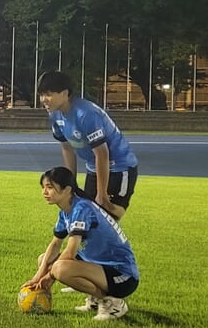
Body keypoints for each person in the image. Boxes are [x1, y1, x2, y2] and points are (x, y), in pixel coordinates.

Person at [23, 166, 139, 321]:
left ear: (67, 190)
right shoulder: (66, 211)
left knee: (60, 269)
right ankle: (94, 300)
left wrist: (50, 275)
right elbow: (55, 244)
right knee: (44, 258)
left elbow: (70, 253)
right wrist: (38, 276)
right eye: (43, 187)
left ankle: (112, 303)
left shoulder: (81, 208)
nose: (44, 192)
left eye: (49, 187)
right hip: (100, 267)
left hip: (122, 274)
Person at [37, 70, 137, 220]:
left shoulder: (86, 114)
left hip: (119, 166)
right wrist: (71, 184)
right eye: (41, 94)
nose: (43, 99)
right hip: (94, 168)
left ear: (65, 93)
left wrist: (101, 193)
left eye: (49, 94)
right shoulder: (55, 115)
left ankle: (115, 216)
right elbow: (67, 148)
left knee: (104, 217)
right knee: (87, 216)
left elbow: (102, 153)